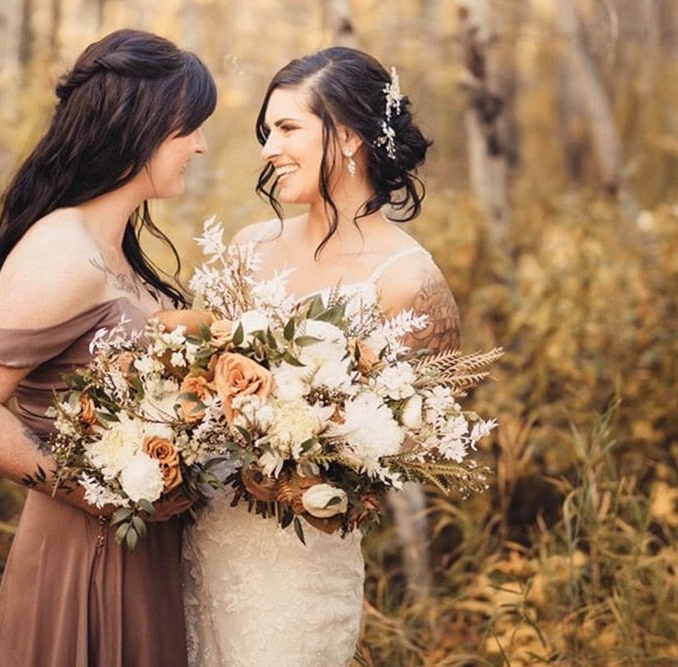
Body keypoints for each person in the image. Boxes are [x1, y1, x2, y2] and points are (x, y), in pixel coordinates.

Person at [0, 29, 215, 666]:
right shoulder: (62, 253)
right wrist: (95, 490)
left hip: (143, 546)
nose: (199, 144)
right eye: (189, 127)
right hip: (87, 549)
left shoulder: (119, 254)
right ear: (141, 124)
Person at [182, 47, 460, 666]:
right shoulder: (248, 248)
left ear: (351, 137)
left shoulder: (408, 279)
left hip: (301, 565)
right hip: (199, 540)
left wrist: (316, 432)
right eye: (266, 131)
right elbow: (187, 380)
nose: (267, 149)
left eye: (287, 129)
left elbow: (421, 442)